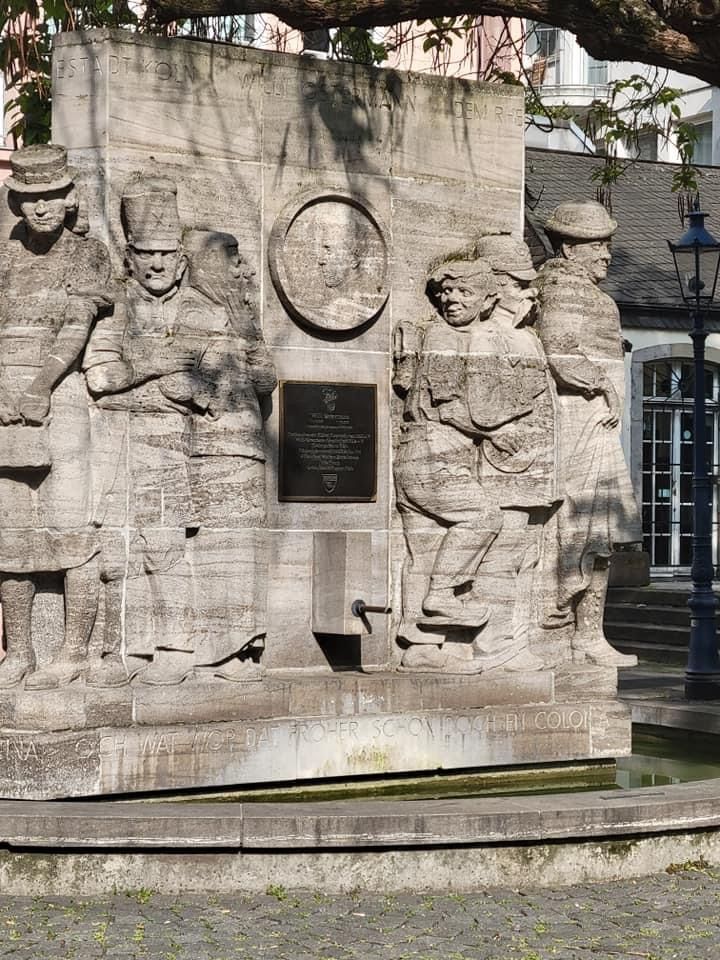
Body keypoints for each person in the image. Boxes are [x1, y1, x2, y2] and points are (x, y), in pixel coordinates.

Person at [394, 244, 552, 673]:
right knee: (483, 518)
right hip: (433, 454)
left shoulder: (450, 335)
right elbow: (456, 408)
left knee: (424, 550)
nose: (452, 301)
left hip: (433, 454)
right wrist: (505, 423)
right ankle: (442, 596)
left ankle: (423, 648)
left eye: (463, 293)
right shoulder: (446, 337)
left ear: (486, 300)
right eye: (447, 294)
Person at [0, 143, 111, 688]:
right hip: (3, 403)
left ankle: (74, 652)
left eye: (49, 197)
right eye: (27, 199)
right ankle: (18, 653)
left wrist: (40, 385)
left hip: (61, 399)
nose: (39, 208)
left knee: (72, 531)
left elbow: (76, 325)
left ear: (70, 198)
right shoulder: (3, 255)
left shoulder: (86, 255)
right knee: (11, 537)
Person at [535, 199, 640, 667]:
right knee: (581, 528)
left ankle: (590, 632)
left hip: (598, 426)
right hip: (579, 424)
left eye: (608, 244)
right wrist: (599, 384)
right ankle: (571, 628)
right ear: (569, 247)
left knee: (602, 533)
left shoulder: (593, 296)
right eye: (598, 244)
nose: (607, 254)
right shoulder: (560, 290)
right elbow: (557, 351)